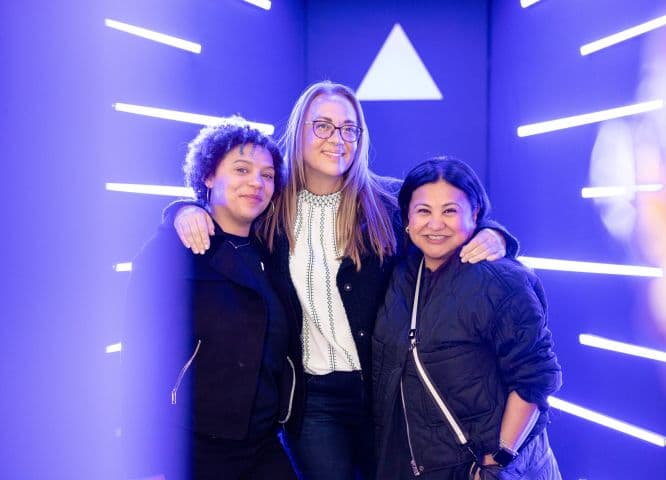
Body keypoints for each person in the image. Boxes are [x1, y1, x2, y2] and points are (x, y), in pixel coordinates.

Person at [168, 81, 518, 480]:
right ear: (299, 131)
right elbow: (221, 213)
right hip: (314, 402)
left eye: (349, 129)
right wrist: (181, 210)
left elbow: (448, 220)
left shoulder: (387, 202)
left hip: (389, 392)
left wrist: (495, 234)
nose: (337, 139)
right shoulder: (268, 206)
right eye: (322, 126)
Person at [123, 117, 300, 480]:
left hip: (264, 443)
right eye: (241, 169)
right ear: (207, 176)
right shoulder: (172, 249)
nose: (256, 182)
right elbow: (140, 359)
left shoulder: (274, 251)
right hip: (191, 447)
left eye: (267, 175)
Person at [373, 157, 562, 480]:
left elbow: (535, 378)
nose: (435, 224)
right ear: (406, 218)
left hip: (489, 468)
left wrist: (496, 460)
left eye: (450, 211)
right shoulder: (402, 272)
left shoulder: (502, 281)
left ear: (474, 214)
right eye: (423, 211)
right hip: (425, 465)